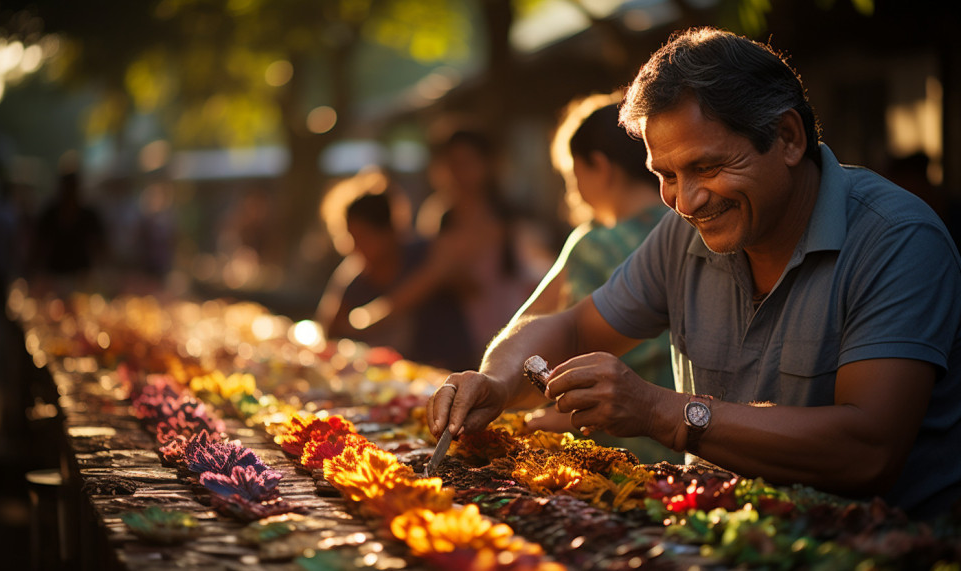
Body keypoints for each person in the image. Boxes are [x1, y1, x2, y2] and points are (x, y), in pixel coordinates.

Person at [427, 27, 961, 519]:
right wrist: (496, 382)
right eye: (666, 175)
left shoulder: (898, 240)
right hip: (714, 538)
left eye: (708, 167)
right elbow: (569, 329)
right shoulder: (684, 233)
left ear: (789, 138)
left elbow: (867, 450)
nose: (686, 200)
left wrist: (660, 410)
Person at [515, 94, 678, 462]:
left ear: (600, 167)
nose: (573, 193)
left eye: (574, 177)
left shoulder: (595, 244)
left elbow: (531, 332)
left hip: (622, 452)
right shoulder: (692, 230)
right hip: (696, 444)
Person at [351, 130, 540, 359]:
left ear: (488, 165)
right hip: (456, 347)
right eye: (451, 163)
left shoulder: (514, 223)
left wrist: (368, 319)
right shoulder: (438, 217)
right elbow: (429, 278)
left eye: (467, 162)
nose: (458, 173)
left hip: (510, 341)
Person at [315, 168, 475, 371]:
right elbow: (328, 332)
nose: (356, 247)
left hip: (446, 369)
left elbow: (470, 285)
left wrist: (432, 278)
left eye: (364, 237)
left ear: (389, 231)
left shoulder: (424, 256)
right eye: (350, 238)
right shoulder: (354, 276)